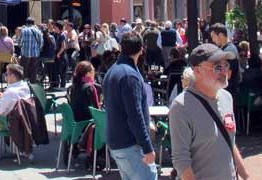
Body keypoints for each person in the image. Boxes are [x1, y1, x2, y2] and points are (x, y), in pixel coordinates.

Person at [169, 43, 247, 180]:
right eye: (217, 67)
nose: (224, 71)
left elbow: (230, 141)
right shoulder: (181, 106)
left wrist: (246, 176)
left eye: (226, 65)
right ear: (197, 71)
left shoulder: (226, 98)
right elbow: (181, 161)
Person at [102, 32, 156, 180]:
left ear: (121, 47)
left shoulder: (113, 71)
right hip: (130, 143)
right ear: (141, 49)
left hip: (118, 141)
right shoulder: (129, 75)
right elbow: (135, 114)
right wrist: (147, 147)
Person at [210, 23, 240, 96]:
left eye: (213, 36)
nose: (213, 40)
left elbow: (228, 75)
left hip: (228, 91)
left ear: (220, 35)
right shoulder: (224, 49)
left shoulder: (229, 51)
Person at [19, 17, 42, 84]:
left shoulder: (23, 30)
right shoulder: (38, 31)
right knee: (33, 71)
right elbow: (41, 43)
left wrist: (22, 47)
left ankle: (23, 84)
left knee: (24, 70)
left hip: (25, 54)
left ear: (26, 23)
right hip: (35, 54)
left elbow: (19, 42)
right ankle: (33, 86)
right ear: (34, 23)